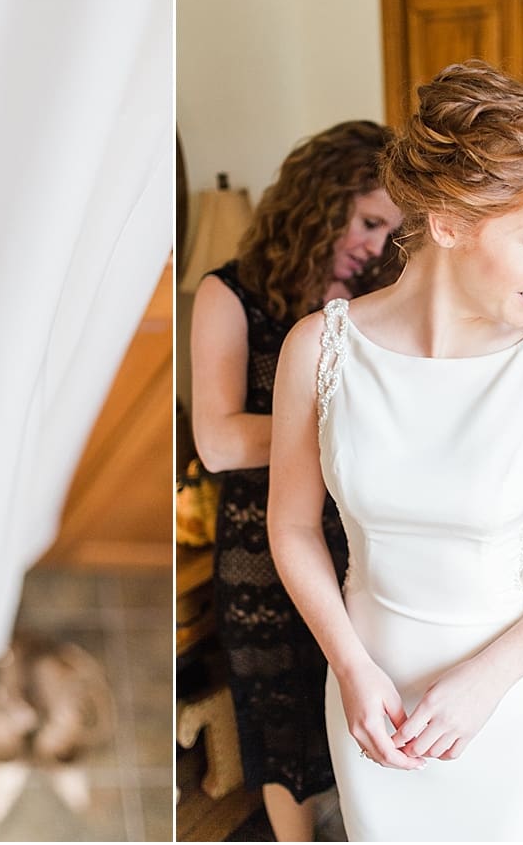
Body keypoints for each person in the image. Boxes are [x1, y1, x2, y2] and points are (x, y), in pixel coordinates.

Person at [267, 60, 523, 841]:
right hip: (373, 700)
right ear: (447, 223)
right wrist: (350, 666)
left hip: (510, 708)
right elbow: (295, 526)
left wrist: (487, 681)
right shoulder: (319, 348)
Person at [190, 120, 403, 841]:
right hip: (263, 542)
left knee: (368, 699)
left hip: (366, 535)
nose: (377, 245)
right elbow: (217, 441)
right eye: (370, 221)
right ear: (322, 199)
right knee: (280, 713)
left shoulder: (380, 300)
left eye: (389, 231)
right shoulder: (229, 294)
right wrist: (338, 427)